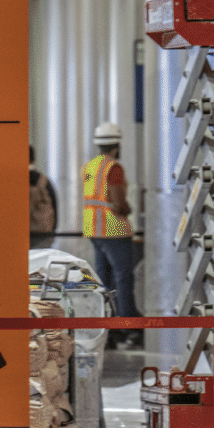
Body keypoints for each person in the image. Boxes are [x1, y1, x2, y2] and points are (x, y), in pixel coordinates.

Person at [81, 122, 141, 348]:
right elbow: (118, 201)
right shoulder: (113, 168)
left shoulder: (89, 167)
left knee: (104, 283)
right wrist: (127, 209)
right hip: (114, 230)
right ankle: (129, 330)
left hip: (94, 230)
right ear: (116, 146)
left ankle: (108, 331)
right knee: (123, 280)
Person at [28, 145, 58, 249]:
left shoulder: (12, 181)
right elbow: (54, 204)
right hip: (43, 232)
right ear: (33, 158)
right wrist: (52, 230)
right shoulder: (43, 180)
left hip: (19, 232)